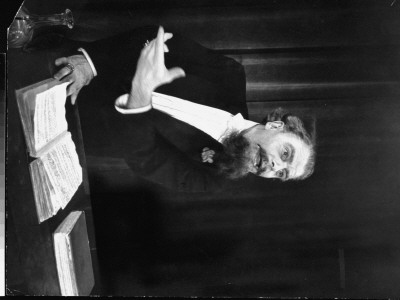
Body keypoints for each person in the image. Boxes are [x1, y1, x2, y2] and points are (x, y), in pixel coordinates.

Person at [53, 26, 315, 192]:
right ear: (276, 126)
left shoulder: (214, 178)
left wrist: (140, 95)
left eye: (281, 173)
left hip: (70, 127)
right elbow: (159, 40)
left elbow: (146, 161)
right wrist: (90, 63)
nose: (273, 165)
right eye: (285, 153)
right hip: (70, 67)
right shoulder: (230, 75)